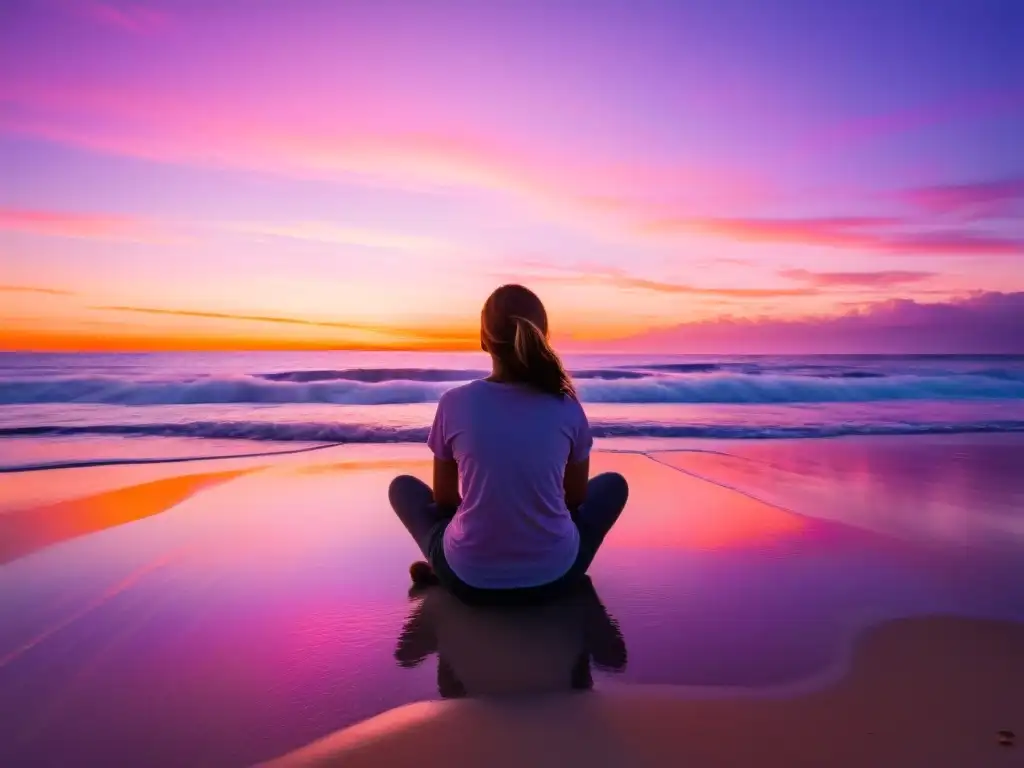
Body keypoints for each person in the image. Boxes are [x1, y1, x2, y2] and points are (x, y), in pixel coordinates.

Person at [388, 284, 628, 605]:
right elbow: (574, 498)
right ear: (543, 338)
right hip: (555, 579)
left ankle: (445, 568)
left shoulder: (454, 403)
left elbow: (445, 500)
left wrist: (484, 519)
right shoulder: (566, 404)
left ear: (483, 340)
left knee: (402, 488)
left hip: (468, 581)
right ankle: (553, 562)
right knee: (613, 486)